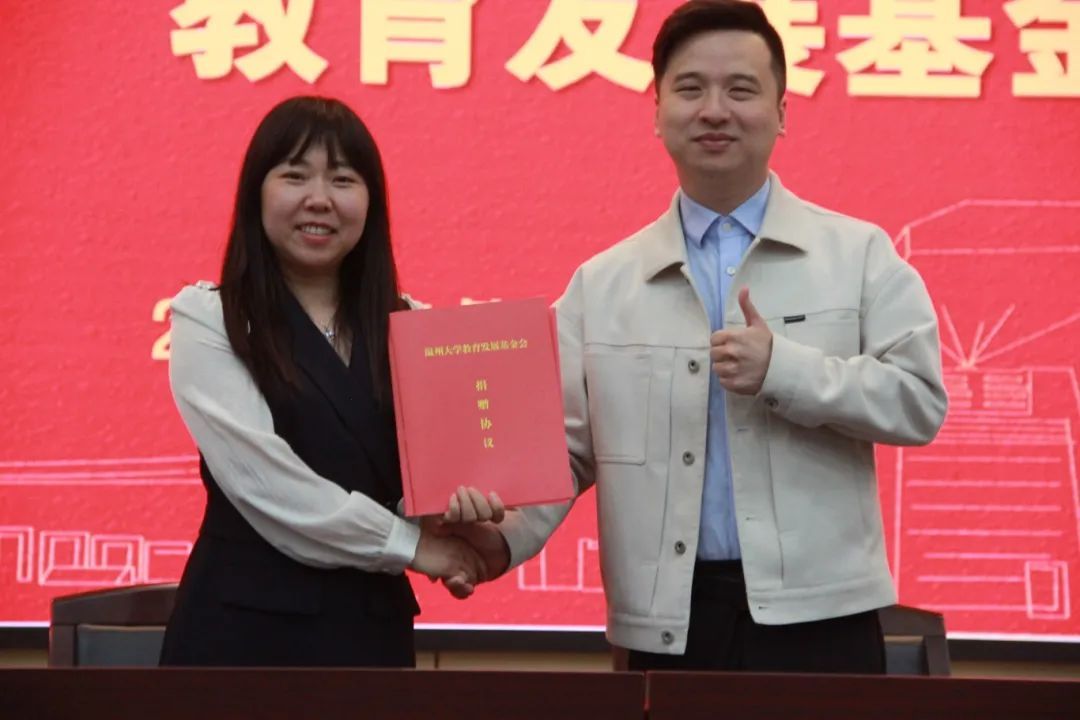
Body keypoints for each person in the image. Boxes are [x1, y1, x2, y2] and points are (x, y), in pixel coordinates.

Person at [457, 0, 947, 673]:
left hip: (824, 619)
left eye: (741, 90)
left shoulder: (859, 254)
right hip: (669, 624)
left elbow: (919, 401)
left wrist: (785, 371)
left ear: (782, 111)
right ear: (657, 111)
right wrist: (500, 540)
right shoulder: (602, 284)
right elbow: (563, 452)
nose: (715, 110)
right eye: (690, 89)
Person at [160, 96, 501, 668]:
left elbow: (422, 482)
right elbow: (266, 484)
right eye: (295, 176)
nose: (319, 198)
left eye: (343, 179)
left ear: (371, 202)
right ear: (255, 193)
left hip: (372, 630)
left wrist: (454, 514)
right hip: (241, 637)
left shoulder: (415, 326)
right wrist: (415, 547)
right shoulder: (210, 318)